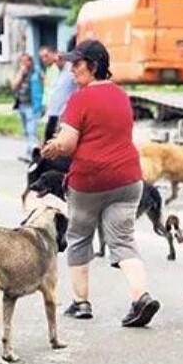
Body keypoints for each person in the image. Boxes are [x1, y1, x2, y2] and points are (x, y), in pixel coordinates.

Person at [41, 39, 160, 327]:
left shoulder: (79, 99)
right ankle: (141, 297)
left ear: (92, 66)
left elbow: (69, 144)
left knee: (80, 236)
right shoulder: (121, 95)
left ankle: (81, 303)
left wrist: (53, 146)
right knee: (122, 240)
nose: (72, 71)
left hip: (90, 181)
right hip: (128, 178)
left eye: (77, 65)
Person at [11, 52, 43, 162]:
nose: (24, 63)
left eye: (26, 60)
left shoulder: (36, 72)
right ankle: (29, 152)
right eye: (22, 61)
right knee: (26, 131)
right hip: (21, 105)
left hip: (32, 105)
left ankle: (33, 155)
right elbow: (14, 86)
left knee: (31, 131)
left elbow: (43, 85)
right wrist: (21, 73)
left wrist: (42, 105)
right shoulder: (20, 72)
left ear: (30, 61)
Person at [43, 49, 75, 141]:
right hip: (53, 113)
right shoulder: (58, 72)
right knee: (48, 139)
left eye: (60, 58)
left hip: (62, 114)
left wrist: (65, 56)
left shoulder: (70, 72)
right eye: (56, 59)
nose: (57, 61)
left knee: (54, 141)